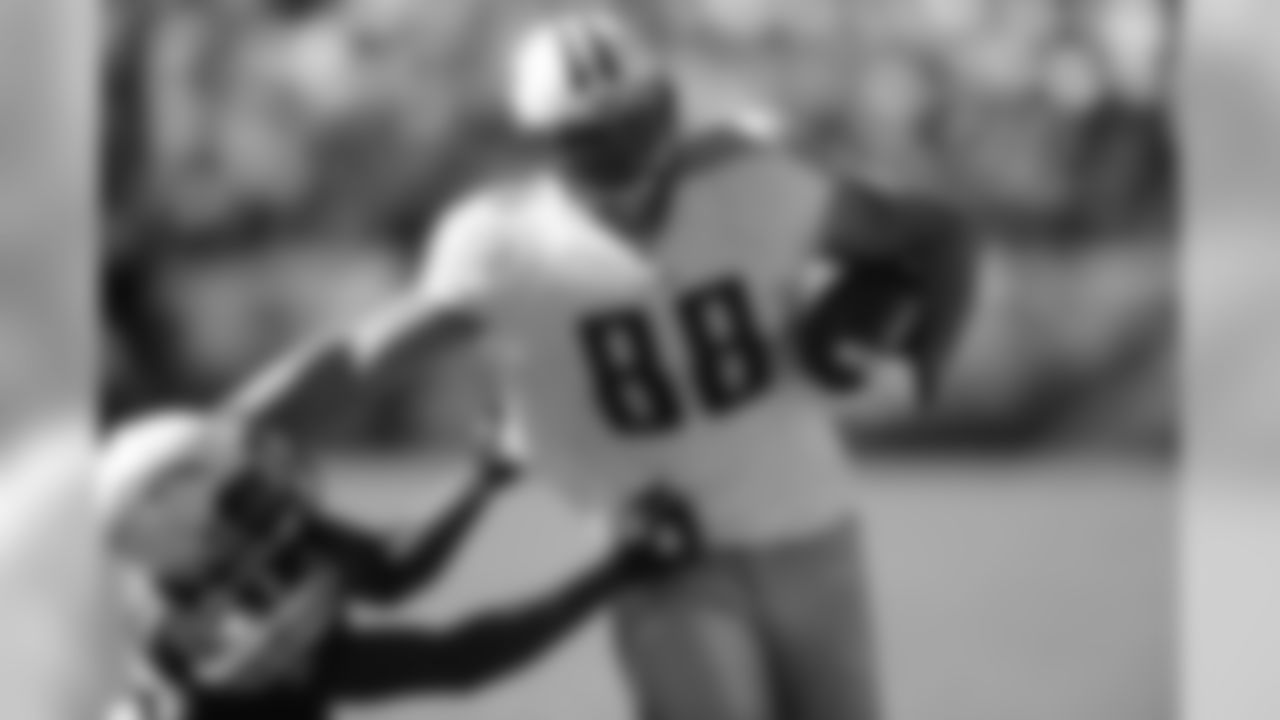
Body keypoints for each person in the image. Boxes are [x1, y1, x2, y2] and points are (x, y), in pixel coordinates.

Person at [206, 10, 977, 720]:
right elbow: (358, 358)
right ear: (542, 143)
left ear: (666, 106)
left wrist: (923, 366)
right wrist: (212, 437)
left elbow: (937, 235)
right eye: (594, 137)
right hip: (671, 560)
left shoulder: (752, 181)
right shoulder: (503, 246)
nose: (624, 152)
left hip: (810, 529)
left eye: (632, 123)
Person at [97, 410, 702, 720]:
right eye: (240, 492)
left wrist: (483, 481)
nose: (268, 490)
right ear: (176, 534)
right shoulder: (192, 633)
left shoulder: (262, 548)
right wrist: (619, 570)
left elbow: (395, 575)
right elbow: (456, 656)